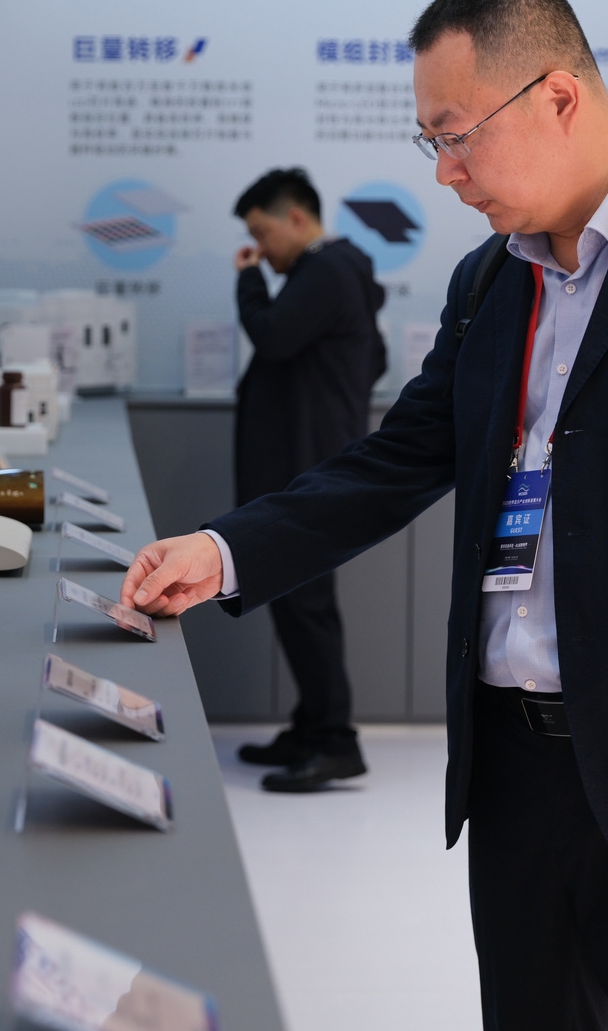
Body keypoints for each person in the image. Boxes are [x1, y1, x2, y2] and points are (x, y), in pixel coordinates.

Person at [121, 0, 608, 1029]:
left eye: (457, 136)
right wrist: (224, 550)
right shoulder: (488, 283)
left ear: (557, 96)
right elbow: (393, 461)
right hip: (513, 774)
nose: (446, 172)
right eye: (429, 143)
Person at [224, 168, 386, 793]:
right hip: (309, 456)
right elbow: (371, 358)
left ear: (296, 218)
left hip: (307, 460)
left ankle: (336, 740)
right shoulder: (336, 273)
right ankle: (311, 726)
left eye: (262, 233)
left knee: (307, 602)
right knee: (293, 596)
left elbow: (272, 335)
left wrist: (247, 281)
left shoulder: (327, 270)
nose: (259, 250)